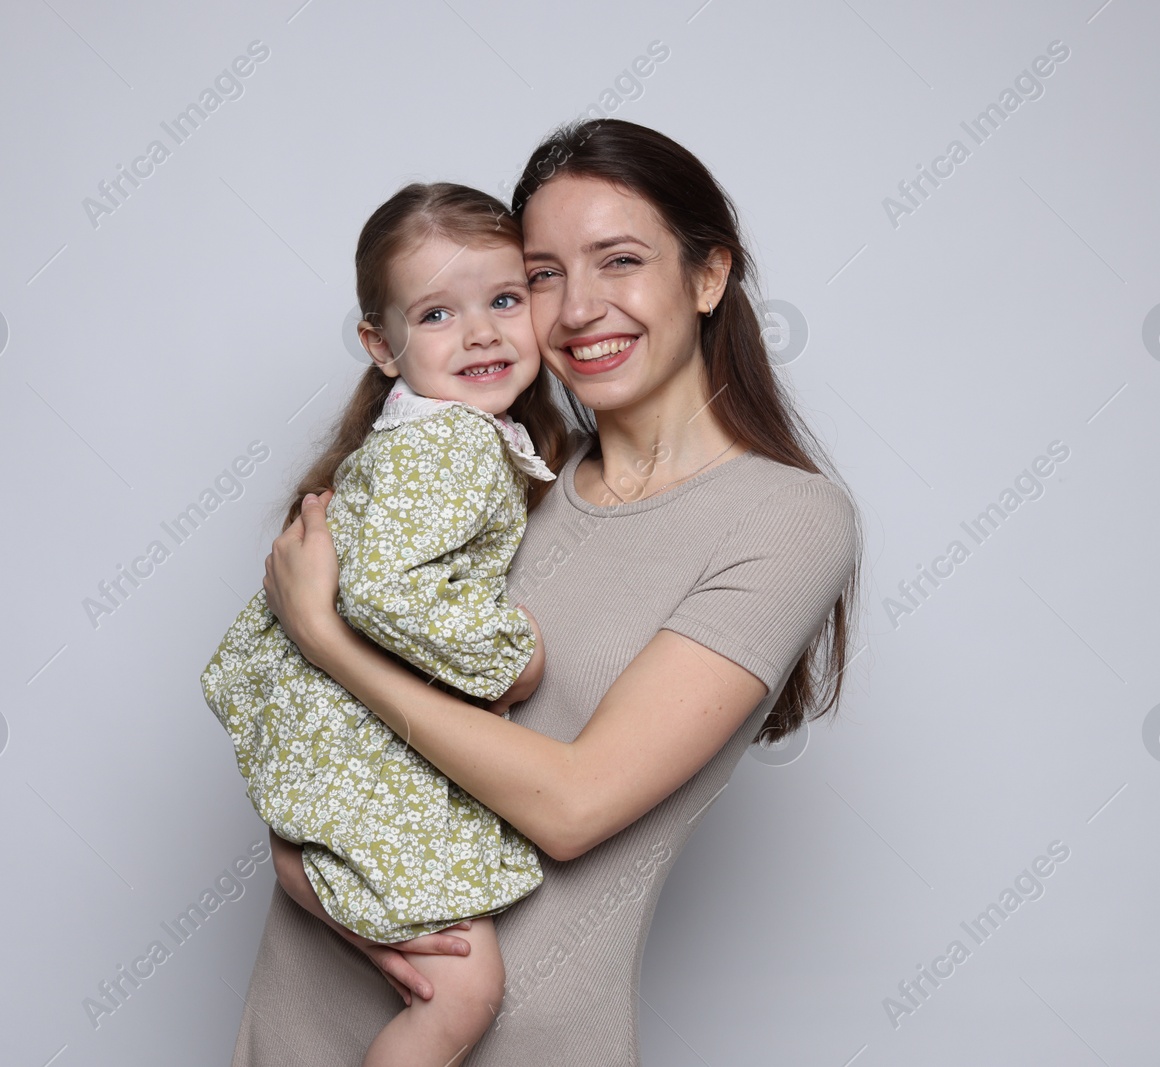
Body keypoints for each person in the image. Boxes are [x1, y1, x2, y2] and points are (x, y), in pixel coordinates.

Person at [231, 118, 863, 1065]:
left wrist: (328, 636)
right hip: (306, 1012)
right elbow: (319, 733)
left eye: (618, 261)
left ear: (707, 275)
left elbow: (571, 808)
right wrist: (296, 861)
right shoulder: (502, 475)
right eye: (543, 275)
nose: (576, 310)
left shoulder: (785, 519)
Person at [200, 181, 572, 1066]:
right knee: (465, 988)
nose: (482, 332)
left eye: (505, 300)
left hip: (330, 729)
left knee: (444, 974)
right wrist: (514, 658)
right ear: (383, 344)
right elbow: (385, 596)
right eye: (439, 313)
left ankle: (314, 878)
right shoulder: (450, 442)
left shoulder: (414, 434)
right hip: (363, 739)